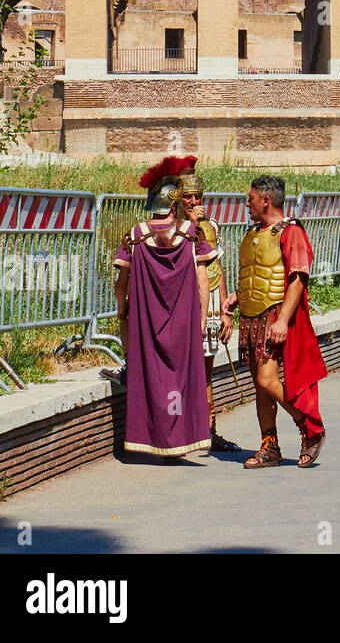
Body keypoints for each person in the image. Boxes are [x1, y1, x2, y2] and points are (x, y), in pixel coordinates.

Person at [110, 155, 214, 457]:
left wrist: (122, 309)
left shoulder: (134, 237)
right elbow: (202, 280)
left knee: (152, 378)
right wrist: (202, 319)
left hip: (146, 323)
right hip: (183, 322)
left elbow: (121, 285)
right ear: (173, 203)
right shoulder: (190, 235)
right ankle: (179, 440)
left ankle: (154, 440)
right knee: (178, 380)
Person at [222, 175, 327, 468]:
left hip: (273, 317)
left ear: (266, 201)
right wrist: (236, 298)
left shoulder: (291, 231)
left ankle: (309, 426)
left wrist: (282, 321)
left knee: (266, 380)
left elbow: (297, 279)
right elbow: (257, 275)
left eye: (251, 199)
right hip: (251, 317)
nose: (247, 204)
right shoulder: (254, 232)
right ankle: (270, 446)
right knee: (261, 386)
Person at [172, 171, 242, 453]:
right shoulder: (171, 227)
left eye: (197, 196)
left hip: (209, 299)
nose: (193, 201)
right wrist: (190, 224)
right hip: (181, 300)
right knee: (178, 368)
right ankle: (178, 429)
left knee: (205, 369)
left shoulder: (210, 226)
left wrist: (226, 310)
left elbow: (216, 268)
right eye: (187, 197)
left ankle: (208, 430)